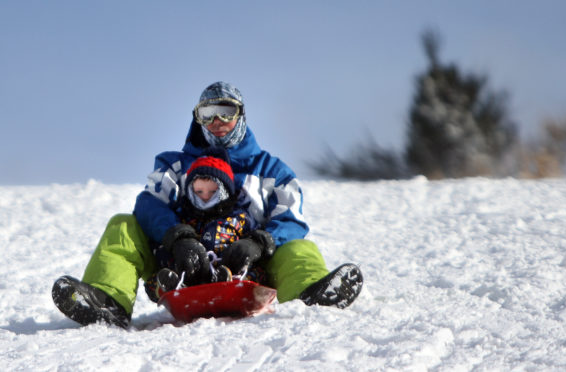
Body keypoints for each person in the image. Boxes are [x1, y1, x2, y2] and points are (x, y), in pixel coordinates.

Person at [52, 81, 363, 328]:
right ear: (196, 118)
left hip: (249, 263)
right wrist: (177, 237)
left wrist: (260, 242)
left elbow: (291, 218)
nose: (217, 121)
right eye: (207, 113)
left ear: (241, 114)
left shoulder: (271, 170)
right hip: (178, 260)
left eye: (225, 111)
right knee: (123, 224)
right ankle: (109, 301)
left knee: (298, 247)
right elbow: (149, 203)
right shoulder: (174, 165)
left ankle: (311, 296)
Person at [143, 148, 274, 301]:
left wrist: (254, 243)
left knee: (256, 270)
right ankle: (171, 288)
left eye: (212, 191)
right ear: (191, 190)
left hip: (230, 268)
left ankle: (239, 284)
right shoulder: (184, 218)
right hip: (192, 271)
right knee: (164, 270)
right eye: (199, 191)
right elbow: (166, 242)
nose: (205, 196)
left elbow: (256, 234)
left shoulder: (239, 218)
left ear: (225, 191)